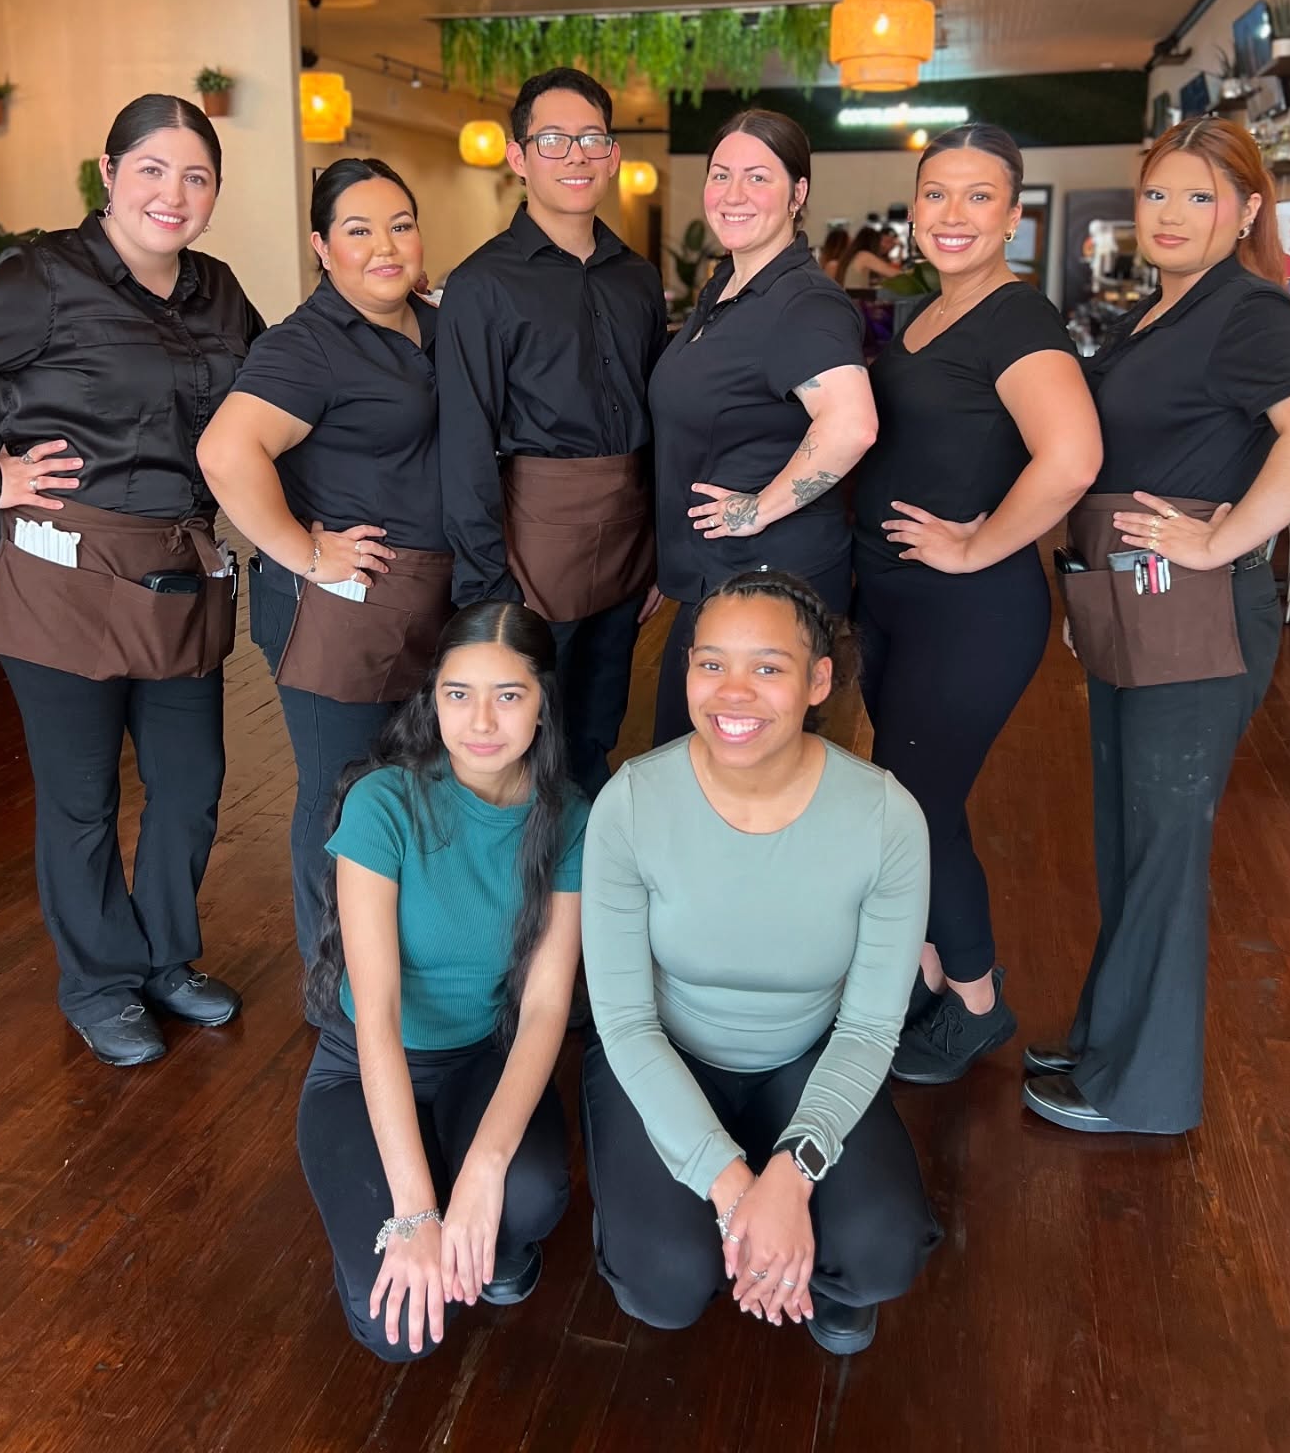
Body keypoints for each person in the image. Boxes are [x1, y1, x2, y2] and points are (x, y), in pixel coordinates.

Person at [0, 95, 262, 1066]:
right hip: (62, 570)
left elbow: (277, 396)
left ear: (215, 193)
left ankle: (168, 960)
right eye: (152, 169)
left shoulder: (220, 293)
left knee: (190, 784)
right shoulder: (42, 280)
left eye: (196, 176)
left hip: (179, 569)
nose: (172, 194)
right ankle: (100, 983)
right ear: (110, 173)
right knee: (83, 795)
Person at [1025, 117, 1290, 1134]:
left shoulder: (1249, 312)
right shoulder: (1161, 311)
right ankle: (1110, 1040)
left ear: (1247, 212)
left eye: (1201, 197)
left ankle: (1143, 1092)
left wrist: (1223, 539)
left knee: (1162, 846)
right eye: (1158, 193)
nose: (1171, 215)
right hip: (1135, 603)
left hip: (1194, 612)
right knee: (1126, 839)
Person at [580, 570, 940, 1356]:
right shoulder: (632, 804)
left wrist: (795, 1172)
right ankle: (747, 1244)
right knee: (664, 1285)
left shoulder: (884, 819)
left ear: (818, 681)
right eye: (710, 664)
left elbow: (872, 1025)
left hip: (807, 1058)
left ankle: (819, 1267)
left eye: (767, 668)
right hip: (663, 1055)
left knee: (878, 1252)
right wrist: (736, 1186)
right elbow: (625, 1021)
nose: (731, 694)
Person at [853, 123, 1102, 1083]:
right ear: (914, 208)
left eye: (978, 197)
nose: (952, 215)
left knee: (916, 808)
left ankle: (978, 1004)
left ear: (1012, 215)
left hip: (970, 610)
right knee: (912, 796)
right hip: (896, 603)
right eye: (935, 195)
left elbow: (1072, 456)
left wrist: (976, 544)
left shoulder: (1015, 319)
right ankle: (923, 975)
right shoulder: (920, 315)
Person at [297, 603, 587, 1361]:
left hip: (481, 1056)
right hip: (363, 1068)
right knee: (397, 1334)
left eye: (509, 695)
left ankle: (489, 1227)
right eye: (458, 694)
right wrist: (418, 1213)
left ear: (544, 702)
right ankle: (411, 1193)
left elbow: (548, 1006)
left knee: (526, 1195)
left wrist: (487, 1170)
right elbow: (379, 1019)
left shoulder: (571, 819)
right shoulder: (383, 803)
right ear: (433, 699)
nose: (481, 721)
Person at [197, 159, 451, 969]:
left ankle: (402, 957)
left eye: (401, 225)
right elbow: (227, 451)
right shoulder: (307, 345)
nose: (385, 246)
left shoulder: (434, 325)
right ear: (321, 246)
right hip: (342, 604)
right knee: (343, 789)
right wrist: (306, 551)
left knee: (412, 785)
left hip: (429, 595)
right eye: (359, 230)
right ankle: (332, 975)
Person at [436, 68, 666, 799]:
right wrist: (486, 583)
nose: (576, 155)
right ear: (519, 156)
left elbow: (659, 418)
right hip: (532, 541)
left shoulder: (636, 278)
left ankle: (586, 895)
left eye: (593, 138)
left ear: (614, 153)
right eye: (555, 139)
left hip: (630, 539)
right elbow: (466, 435)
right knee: (529, 741)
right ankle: (526, 905)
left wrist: (662, 548)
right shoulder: (484, 282)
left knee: (600, 727)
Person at [648, 109, 876, 744]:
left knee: (742, 778)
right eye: (721, 175)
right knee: (693, 768)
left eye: (758, 176)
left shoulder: (803, 302)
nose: (734, 194)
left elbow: (852, 423)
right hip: (717, 581)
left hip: (766, 589)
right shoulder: (727, 288)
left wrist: (759, 509)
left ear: (798, 193)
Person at [843, 223, 901, 290]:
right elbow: (894, 274)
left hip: (852, 296)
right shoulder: (864, 256)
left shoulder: (856, 255)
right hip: (856, 298)